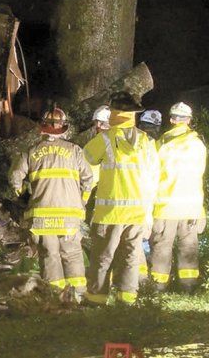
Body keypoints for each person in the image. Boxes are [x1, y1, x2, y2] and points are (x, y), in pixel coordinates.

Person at [8, 107, 94, 301]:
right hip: (70, 217)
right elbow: (89, 179)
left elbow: (15, 178)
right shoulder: (74, 151)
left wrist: (21, 193)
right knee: (72, 254)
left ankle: (54, 298)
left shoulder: (31, 152)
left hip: (43, 216)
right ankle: (78, 297)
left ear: (42, 127)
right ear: (63, 128)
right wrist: (82, 202)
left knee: (50, 255)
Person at [83, 91, 159, 305]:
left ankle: (96, 298)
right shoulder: (147, 142)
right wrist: (148, 214)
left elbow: (85, 161)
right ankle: (126, 299)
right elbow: (154, 179)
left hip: (109, 213)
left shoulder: (105, 139)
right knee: (130, 257)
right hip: (137, 214)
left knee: (102, 257)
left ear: (114, 113)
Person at [149, 102, 207, 292]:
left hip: (166, 207)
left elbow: (152, 174)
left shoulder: (162, 144)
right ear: (189, 121)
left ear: (172, 119)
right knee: (188, 249)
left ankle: (157, 288)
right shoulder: (199, 145)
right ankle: (188, 288)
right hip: (191, 207)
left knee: (162, 249)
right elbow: (200, 174)